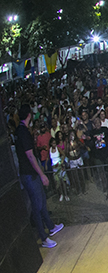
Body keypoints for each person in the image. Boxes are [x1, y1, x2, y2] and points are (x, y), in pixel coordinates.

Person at [16, 104, 64, 248]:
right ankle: (44, 238)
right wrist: (42, 174)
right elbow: (30, 156)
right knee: (37, 206)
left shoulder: (20, 131)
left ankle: (51, 226)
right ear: (29, 115)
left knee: (42, 201)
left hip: (29, 173)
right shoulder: (23, 132)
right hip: (30, 174)